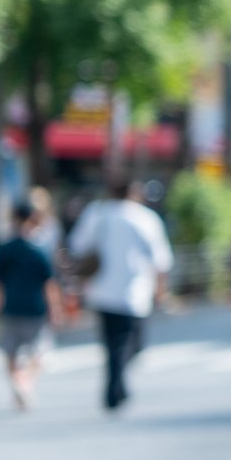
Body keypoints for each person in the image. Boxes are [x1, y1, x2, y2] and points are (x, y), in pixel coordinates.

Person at [67, 175, 173, 412]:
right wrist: (160, 290)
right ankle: (115, 388)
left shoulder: (97, 213)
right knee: (132, 344)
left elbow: (77, 244)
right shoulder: (144, 218)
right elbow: (161, 259)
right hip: (134, 292)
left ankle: (116, 385)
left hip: (101, 290)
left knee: (112, 343)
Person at [0, 202, 63, 410]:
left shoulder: (4, 249)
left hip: (10, 306)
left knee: (10, 351)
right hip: (35, 308)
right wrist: (55, 309)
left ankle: (18, 379)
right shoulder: (40, 249)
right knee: (39, 352)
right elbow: (49, 284)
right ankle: (25, 380)